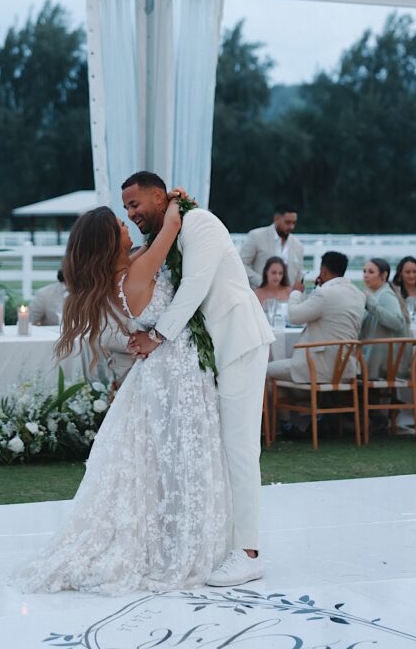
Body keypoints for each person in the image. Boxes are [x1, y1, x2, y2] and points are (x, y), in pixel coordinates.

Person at [11, 198, 230, 594]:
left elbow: (151, 246)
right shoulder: (140, 269)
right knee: (179, 456)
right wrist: (177, 200)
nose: (129, 226)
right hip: (173, 369)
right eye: (121, 224)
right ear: (111, 240)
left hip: (159, 369)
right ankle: (179, 542)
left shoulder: (120, 276)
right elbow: (171, 227)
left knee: (158, 460)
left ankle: (170, 532)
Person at [122, 171, 274, 587]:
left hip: (239, 341)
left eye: (135, 205)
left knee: (240, 448)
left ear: (159, 196)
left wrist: (156, 336)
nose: (131, 214)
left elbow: (195, 286)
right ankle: (224, 539)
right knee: (221, 448)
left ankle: (248, 553)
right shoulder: (169, 232)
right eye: (125, 209)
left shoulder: (201, 222)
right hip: (212, 355)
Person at [266, 251, 366, 383]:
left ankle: (275, 404)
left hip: (319, 369)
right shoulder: (359, 294)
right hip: (345, 370)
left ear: (323, 271)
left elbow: (294, 317)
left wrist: (296, 292)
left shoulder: (324, 293)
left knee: (264, 369)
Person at [360, 258, 411, 379]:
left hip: (384, 362)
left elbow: (398, 322)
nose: (366, 275)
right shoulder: (375, 293)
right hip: (376, 356)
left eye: (371, 272)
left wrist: (372, 305)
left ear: (384, 275)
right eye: (364, 271)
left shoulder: (386, 295)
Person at [241, 204, 305, 289]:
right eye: (287, 222)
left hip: (287, 298)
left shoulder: (298, 245)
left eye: (294, 223)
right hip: (258, 296)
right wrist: (262, 282)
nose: (291, 227)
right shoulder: (256, 236)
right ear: (276, 219)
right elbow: (242, 264)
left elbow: (299, 276)